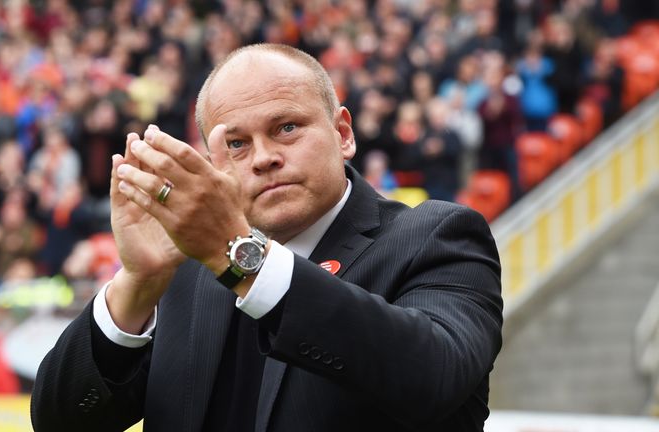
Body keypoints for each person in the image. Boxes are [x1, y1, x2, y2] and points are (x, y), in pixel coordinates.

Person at [31, 43, 503, 432]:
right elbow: (60, 423)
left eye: (286, 128)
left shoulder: (437, 237)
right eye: (236, 143)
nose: (263, 158)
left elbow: (434, 377)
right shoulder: (185, 271)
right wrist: (137, 281)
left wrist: (240, 258)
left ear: (342, 133)